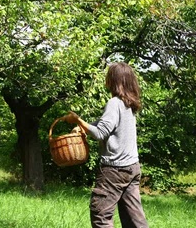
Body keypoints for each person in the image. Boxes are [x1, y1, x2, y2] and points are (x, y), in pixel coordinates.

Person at [62, 62, 149, 228]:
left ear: (113, 80)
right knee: (134, 220)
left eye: (108, 76)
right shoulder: (129, 103)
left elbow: (100, 133)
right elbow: (106, 124)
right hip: (132, 168)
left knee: (100, 216)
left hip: (114, 171)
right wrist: (82, 126)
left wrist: (77, 120)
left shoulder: (114, 103)